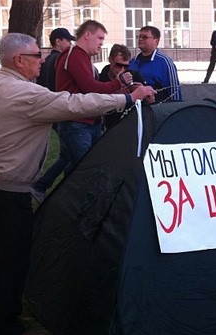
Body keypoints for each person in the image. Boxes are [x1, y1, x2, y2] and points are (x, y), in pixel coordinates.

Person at [0, 32, 155, 335]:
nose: (42, 60)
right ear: (18, 60)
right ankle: (5, 326)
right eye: (36, 55)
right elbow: (74, 104)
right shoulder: (24, 94)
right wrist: (127, 97)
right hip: (6, 191)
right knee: (8, 256)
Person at [55, 20, 131, 175]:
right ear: (87, 35)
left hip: (84, 120)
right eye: (100, 38)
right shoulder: (76, 55)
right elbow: (91, 88)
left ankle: (45, 189)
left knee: (79, 167)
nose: (101, 43)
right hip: (78, 122)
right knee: (86, 171)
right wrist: (119, 83)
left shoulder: (79, 56)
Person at [31, 28, 75, 202]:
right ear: (58, 41)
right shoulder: (60, 60)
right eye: (67, 41)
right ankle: (42, 186)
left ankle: (59, 189)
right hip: (60, 111)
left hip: (52, 110)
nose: (70, 44)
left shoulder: (48, 60)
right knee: (70, 156)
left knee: (68, 154)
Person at [129, 25, 182, 102]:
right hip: (133, 108)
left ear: (156, 41)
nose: (140, 39)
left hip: (157, 108)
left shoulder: (165, 62)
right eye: (139, 36)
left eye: (145, 37)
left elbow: (174, 91)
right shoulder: (132, 61)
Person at [99, 44, 145, 130]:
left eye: (125, 66)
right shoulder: (101, 78)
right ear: (110, 60)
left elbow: (148, 103)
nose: (122, 69)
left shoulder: (134, 75)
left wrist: (144, 93)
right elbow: (98, 103)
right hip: (110, 126)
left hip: (131, 125)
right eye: (118, 65)